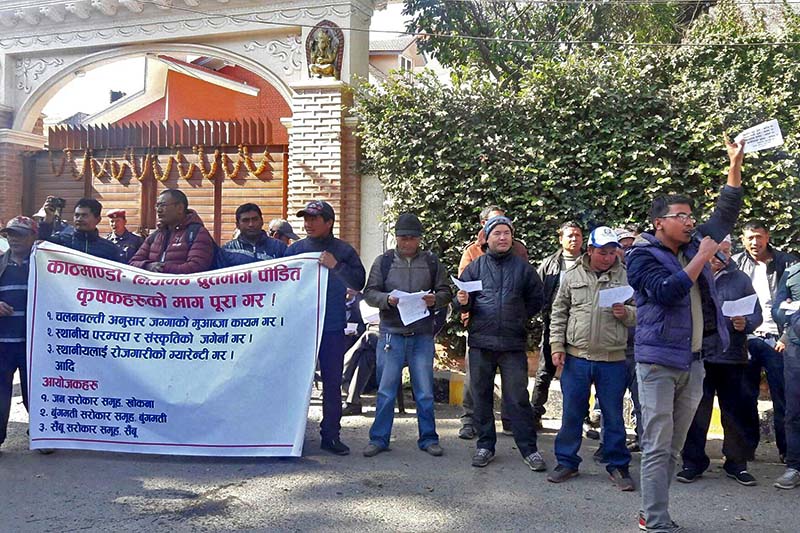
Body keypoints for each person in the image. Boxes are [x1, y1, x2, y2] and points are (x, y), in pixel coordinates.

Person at [627, 137, 745, 533]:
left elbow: (726, 211)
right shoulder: (641, 255)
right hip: (658, 364)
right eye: (681, 216)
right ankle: (653, 518)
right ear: (660, 222)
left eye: (691, 216)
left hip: (694, 363)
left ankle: (656, 512)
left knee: (673, 448)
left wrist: (734, 163)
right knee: (658, 445)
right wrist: (701, 258)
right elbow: (665, 291)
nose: (690, 221)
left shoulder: (695, 242)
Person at [547, 226, 637, 491]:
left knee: (613, 415)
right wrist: (556, 346)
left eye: (612, 252)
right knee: (572, 413)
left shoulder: (627, 276)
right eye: (602, 252)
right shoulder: (572, 275)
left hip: (613, 359)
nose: (608, 257)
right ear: (590, 250)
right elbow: (559, 313)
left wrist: (627, 315)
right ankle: (566, 462)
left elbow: (642, 312)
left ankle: (618, 465)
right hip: (577, 357)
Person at [456, 215, 545, 470]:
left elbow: (536, 300)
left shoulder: (523, 268)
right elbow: (463, 301)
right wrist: (463, 301)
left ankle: (529, 450)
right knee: (481, 396)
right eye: (497, 233)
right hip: (481, 343)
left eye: (507, 233)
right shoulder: (475, 267)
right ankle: (485, 446)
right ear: (487, 238)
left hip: (512, 344)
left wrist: (518, 317)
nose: (503, 237)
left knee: (517, 398)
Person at [362, 213, 451, 457]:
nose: (406, 243)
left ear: (419, 239)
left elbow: (446, 292)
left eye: (411, 238)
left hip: (421, 334)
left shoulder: (432, 262)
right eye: (402, 238)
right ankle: (379, 439)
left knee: (424, 391)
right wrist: (386, 300)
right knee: (385, 390)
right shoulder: (384, 261)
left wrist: (436, 299)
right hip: (391, 333)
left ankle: (429, 439)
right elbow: (369, 293)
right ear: (396, 238)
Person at [678, 236, 762, 486]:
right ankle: (692, 463)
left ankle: (737, 463)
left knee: (734, 413)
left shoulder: (740, 278)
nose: (722, 257)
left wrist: (745, 323)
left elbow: (756, 313)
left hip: (732, 355)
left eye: (726, 252)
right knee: (696, 412)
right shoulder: (693, 273)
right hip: (699, 355)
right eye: (717, 252)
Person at [285, 200, 366, 455]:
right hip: (301, 326)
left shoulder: (343, 250)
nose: (308, 224)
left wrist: (336, 266)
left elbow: (359, 281)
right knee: (295, 382)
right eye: (305, 219)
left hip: (331, 326)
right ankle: (290, 436)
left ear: (329, 222)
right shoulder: (295, 249)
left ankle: (331, 435)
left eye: (314, 219)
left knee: (331, 383)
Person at [457, 205, 528, 439]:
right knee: (476, 383)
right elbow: (463, 289)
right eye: (496, 228)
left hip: (510, 331)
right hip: (480, 328)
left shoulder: (519, 252)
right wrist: (466, 307)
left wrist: (518, 314)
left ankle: (514, 426)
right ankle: (471, 422)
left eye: (506, 228)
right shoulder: (472, 255)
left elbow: (532, 294)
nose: (502, 235)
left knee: (515, 388)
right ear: (484, 228)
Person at [732, 221, 797, 463]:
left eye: (759, 237)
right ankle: (747, 448)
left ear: (767, 236)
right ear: (742, 239)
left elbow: (795, 302)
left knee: (783, 397)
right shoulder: (736, 263)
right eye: (749, 237)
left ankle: (786, 450)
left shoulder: (787, 263)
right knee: (745, 396)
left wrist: (786, 334)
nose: (754, 242)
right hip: (746, 338)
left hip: (777, 339)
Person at [531, 221, 583, 428]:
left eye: (578, 235)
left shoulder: (590, 262)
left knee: (580, 374)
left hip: (581, 326)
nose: (574, 239)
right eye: (569, 235)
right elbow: (535, 290)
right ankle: (534, 413)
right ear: (560, 239)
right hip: (554, 325)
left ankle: (582, 418)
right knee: (545, 372)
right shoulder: (549, 264)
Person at [0, 217, 38, 455]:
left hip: (33, 343)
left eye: (20, 234)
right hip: (2, 344)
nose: (14, 238)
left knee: (35, 392)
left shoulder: (44, 265)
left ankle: (41, 435)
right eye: (10, 234)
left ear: (33, 236)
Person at [129, 189, 215, 273]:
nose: (159, 210)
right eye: (157, 206)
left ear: (180, 208)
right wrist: (148, 266)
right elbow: (133, 263)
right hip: (154, 287)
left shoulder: (197, 233)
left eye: (163, 205)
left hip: (183, 287)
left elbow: (197, 267)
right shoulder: (155, 235)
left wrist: (163, 269)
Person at [772, 262, 800, 489]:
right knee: (794, 411)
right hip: (796, 350)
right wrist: (785, 311)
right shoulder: (792, 273)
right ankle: (794, 467)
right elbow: (777, 309)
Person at [39, 198, 120, 262]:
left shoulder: (109, 249)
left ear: (98, 219)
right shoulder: (62, 240)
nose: (79, 219)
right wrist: (48, 218)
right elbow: (40, 245)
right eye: (77, 215)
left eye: (84, 216)